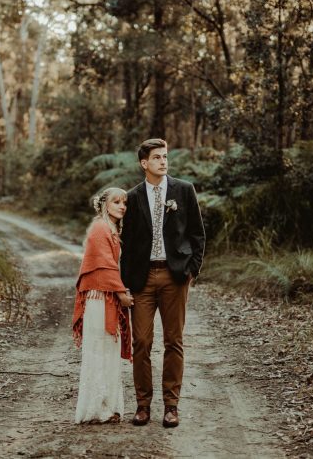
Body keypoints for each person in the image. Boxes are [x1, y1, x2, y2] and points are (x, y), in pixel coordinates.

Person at [120, 138, 206, 428]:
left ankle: (171, 406)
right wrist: (125, 282)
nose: (163, 161)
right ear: (144, 163)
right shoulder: (131, 197)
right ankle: (142, 406)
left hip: (175, 276)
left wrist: (191, 269)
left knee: (174, 341)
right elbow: (127, 243)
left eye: (165, 156)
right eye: (157, 157)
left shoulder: (184, 190)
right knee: (141, 342)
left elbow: (197, 234)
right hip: (142, 279)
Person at [72, 187, 134, 424]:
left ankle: (108, 406)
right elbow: (105, 266)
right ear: (105, 204)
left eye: (124, 203)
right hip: (99, 298)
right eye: (117, 202)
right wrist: (121, 294)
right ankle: (97, 408)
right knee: (99, 350)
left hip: (104, 296)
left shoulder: (111, 228)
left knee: (108, 350)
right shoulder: (100, 228)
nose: (122, 206)